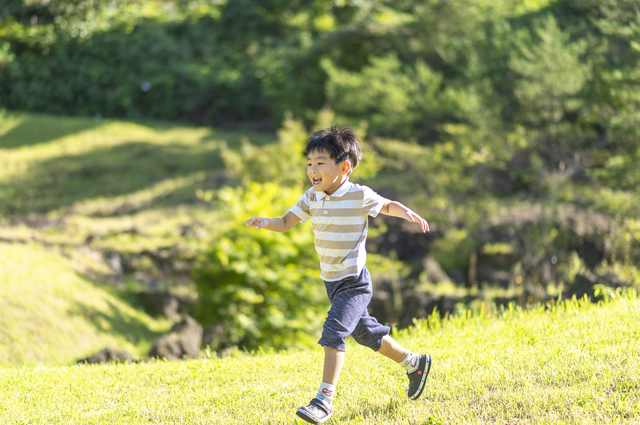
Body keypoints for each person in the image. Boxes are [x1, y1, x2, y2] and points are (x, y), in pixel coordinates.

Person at [245, 125, 432, 424]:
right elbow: (284, 222)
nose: (312, 170)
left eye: (320, 163)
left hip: (354, 282)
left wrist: (407, 212)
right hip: (330, 282)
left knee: (333, 332)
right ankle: (415, 364)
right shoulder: (311, 197)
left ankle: (323, 400)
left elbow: (385, 205)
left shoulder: (358, 195)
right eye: (309, 163)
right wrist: (264, 222)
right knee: (365, 333)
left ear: (344, 167)